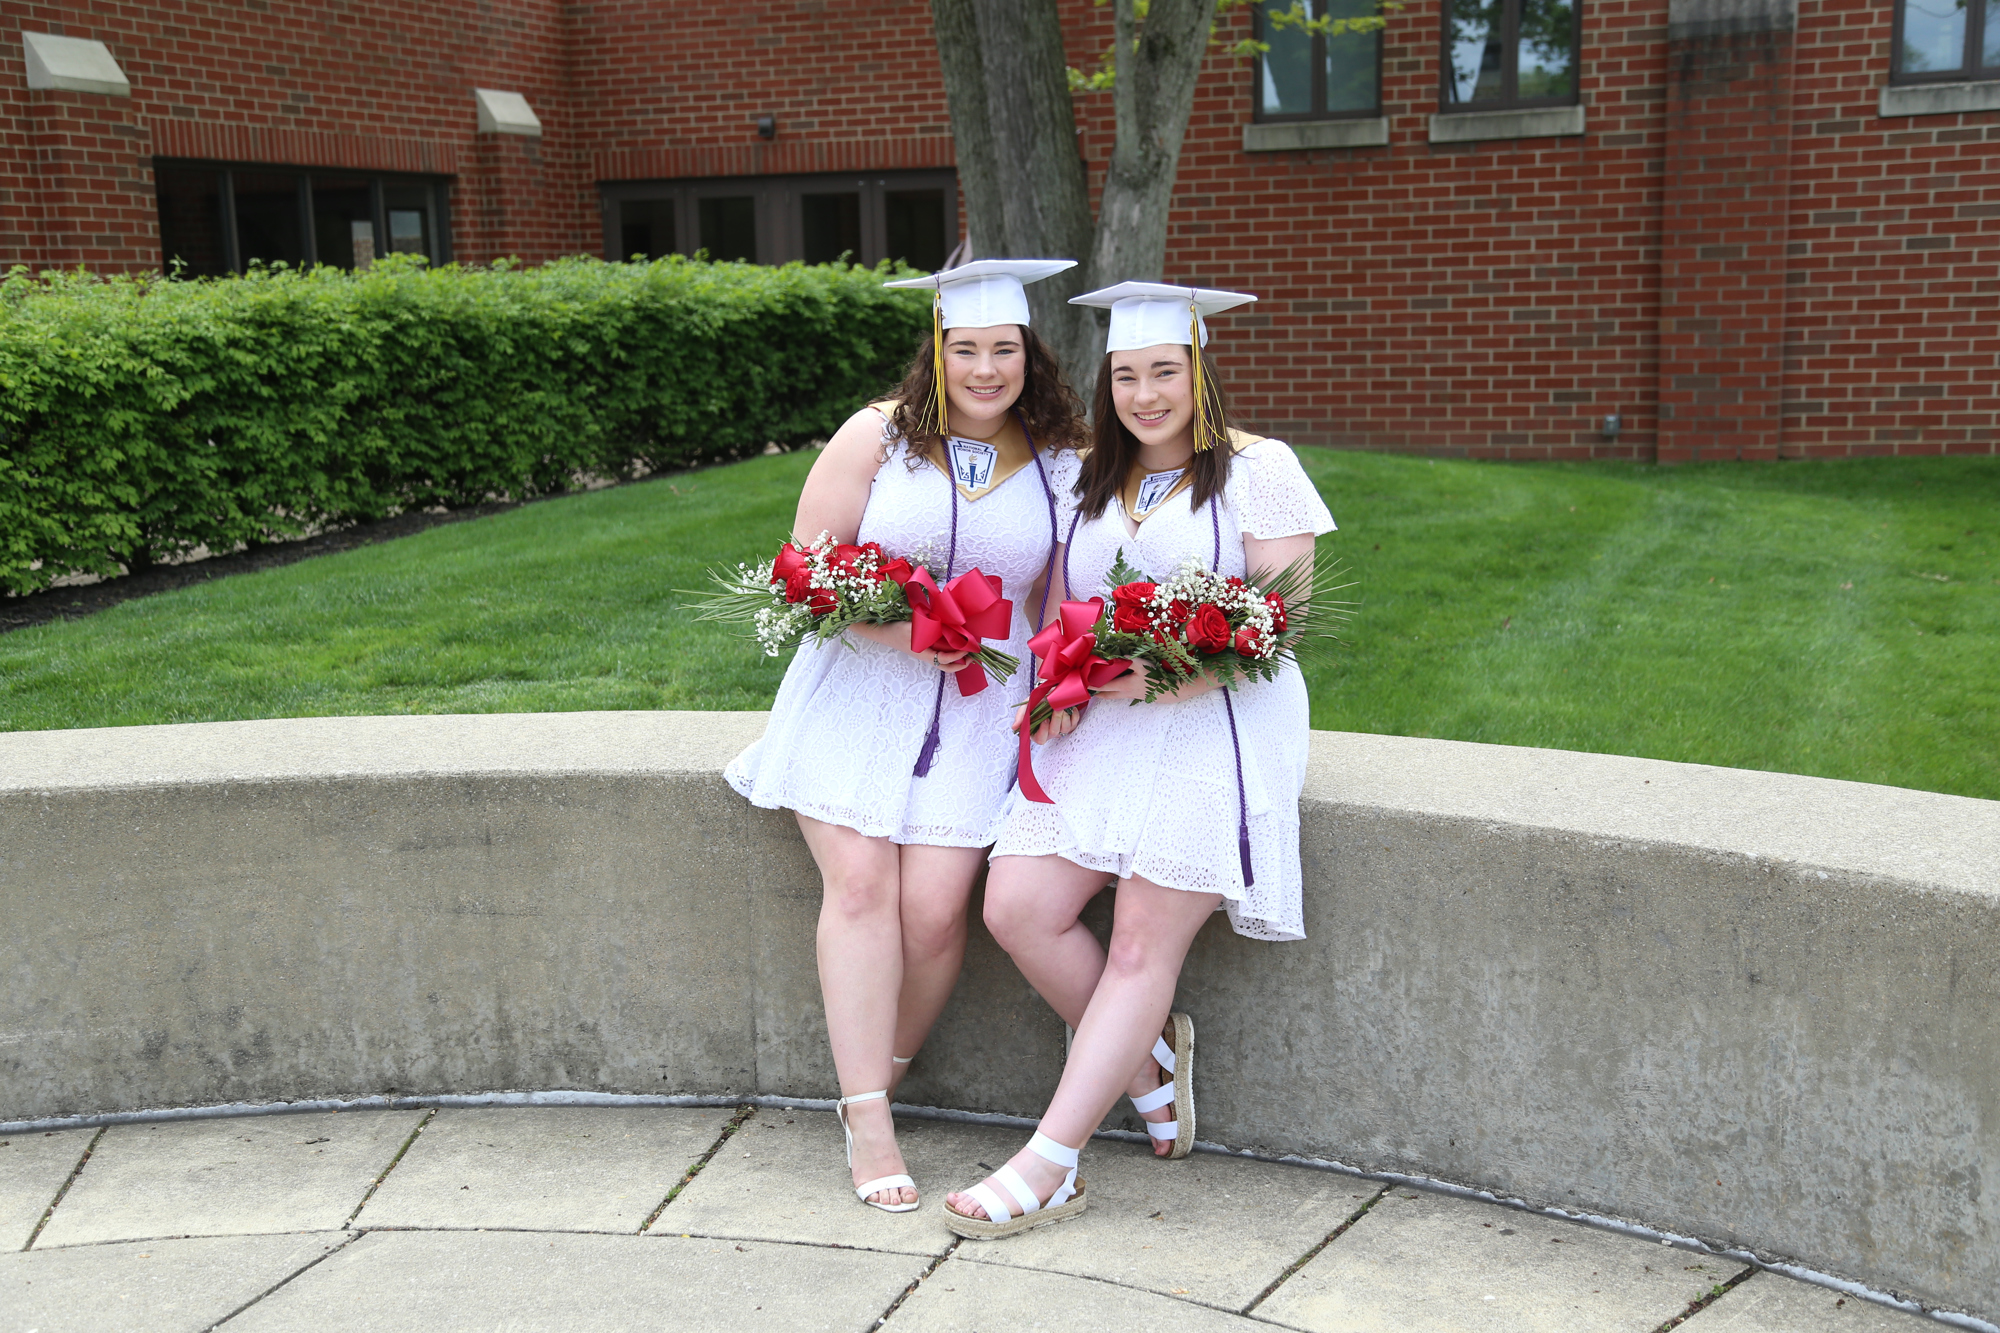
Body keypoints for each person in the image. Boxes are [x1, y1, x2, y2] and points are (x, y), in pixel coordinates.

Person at [941, 282, 1337, 1238]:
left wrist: (1160, 682)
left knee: (1138, 945)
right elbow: (1057, 610)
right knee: (1016, 905)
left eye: (1165, 371)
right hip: (1107, 719)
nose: (1146, 394)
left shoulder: (1258, 468)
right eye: (1126, 375)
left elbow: (1281, 622)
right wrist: (1056, 688)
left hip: (1219, 721)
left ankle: (1052, 1160)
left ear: (1199, 368)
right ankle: (1148, 1062)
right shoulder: (1091, 474)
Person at [726, 259, 1086, 1213]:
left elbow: (1060, 595)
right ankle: (869, 1116)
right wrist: (904, 628)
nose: (984, 369)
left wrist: (1058, 681)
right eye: (964, 348)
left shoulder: (1057, 461)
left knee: (933, 913)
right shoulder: (878, 437)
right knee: (861, 884)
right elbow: (802, 571)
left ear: (1028, 354)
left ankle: (877, 1062)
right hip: (859, 698)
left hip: (977, 714)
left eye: (1002, 350)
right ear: (936, 350)